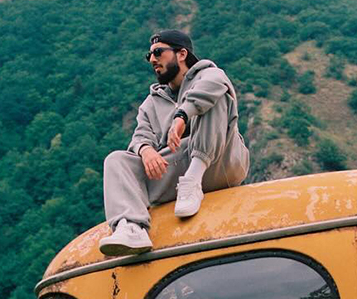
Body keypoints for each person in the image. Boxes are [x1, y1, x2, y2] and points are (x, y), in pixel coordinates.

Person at [100, 30, 250, 256]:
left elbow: (214, 84)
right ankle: (131, 227)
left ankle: (194, 180)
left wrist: (182, 115)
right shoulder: (151, 103)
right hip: (177, 169)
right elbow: (141, 135)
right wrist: (145, 150)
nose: (152, 60)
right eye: (149, 55)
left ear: (181, 54)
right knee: (116, 160)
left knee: (216, 97)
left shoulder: (209, 75)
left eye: (158, 52)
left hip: (219, 163)